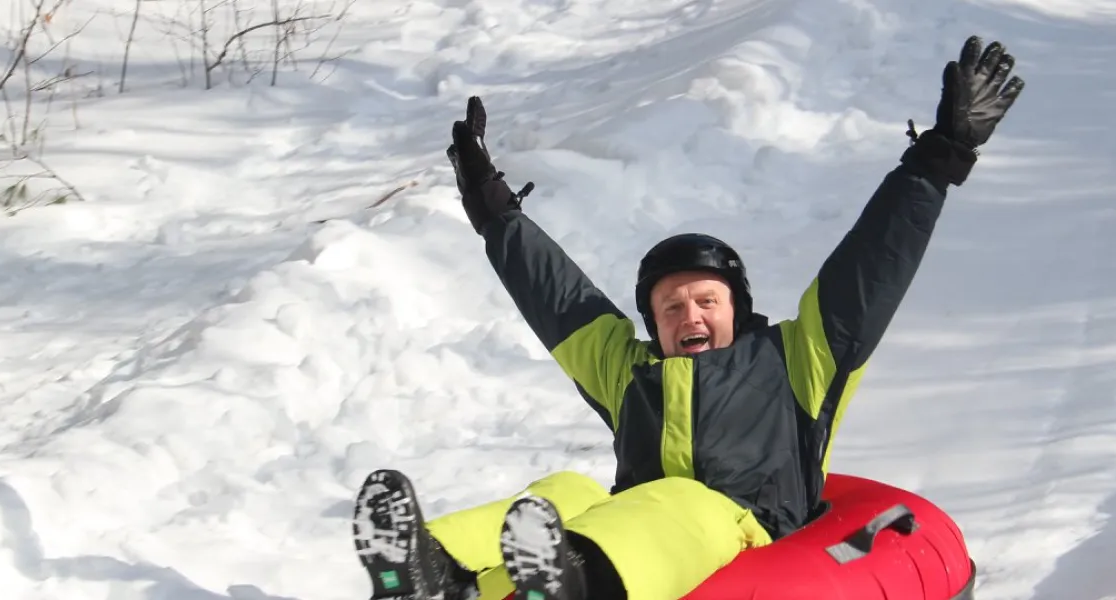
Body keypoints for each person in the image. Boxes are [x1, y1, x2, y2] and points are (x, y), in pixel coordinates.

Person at [352, 35, 1025, 600]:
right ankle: (432, 570)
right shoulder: (631, 372)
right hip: (630, 545)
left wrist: (937, 159)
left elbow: (871, 266)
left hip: (745, 534)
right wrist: (492, 209)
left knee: (681, 500)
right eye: (670, 306)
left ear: (738, 308)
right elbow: (559, 297)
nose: (688, 313)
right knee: (568, 488)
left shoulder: (796, 358)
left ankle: (568, 584)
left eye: (707, 299)